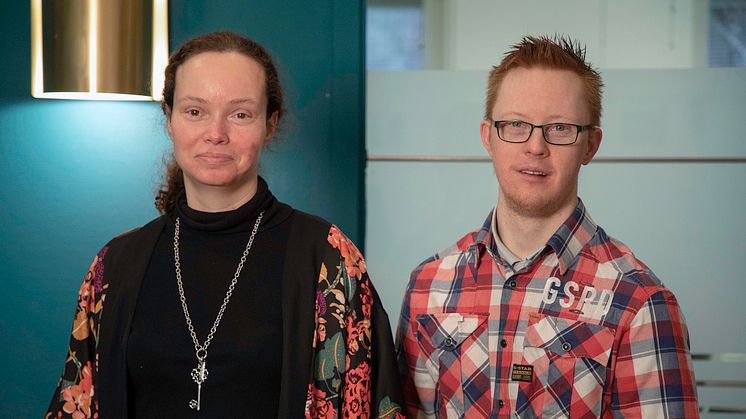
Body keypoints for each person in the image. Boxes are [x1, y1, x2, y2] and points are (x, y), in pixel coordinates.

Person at [47, 31, 404, 418]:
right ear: (169, 119)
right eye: (195, 111)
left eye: (240, 114)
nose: (216, 134)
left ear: (270, 124)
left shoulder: (327, 259)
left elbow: (367, 403)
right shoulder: (114, 265)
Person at [396, 36, 699, 418]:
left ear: (590, 145)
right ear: (488, 136)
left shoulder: (639, 303)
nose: (535, 147)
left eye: (559, 128)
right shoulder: (429, 286)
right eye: (517, 124)